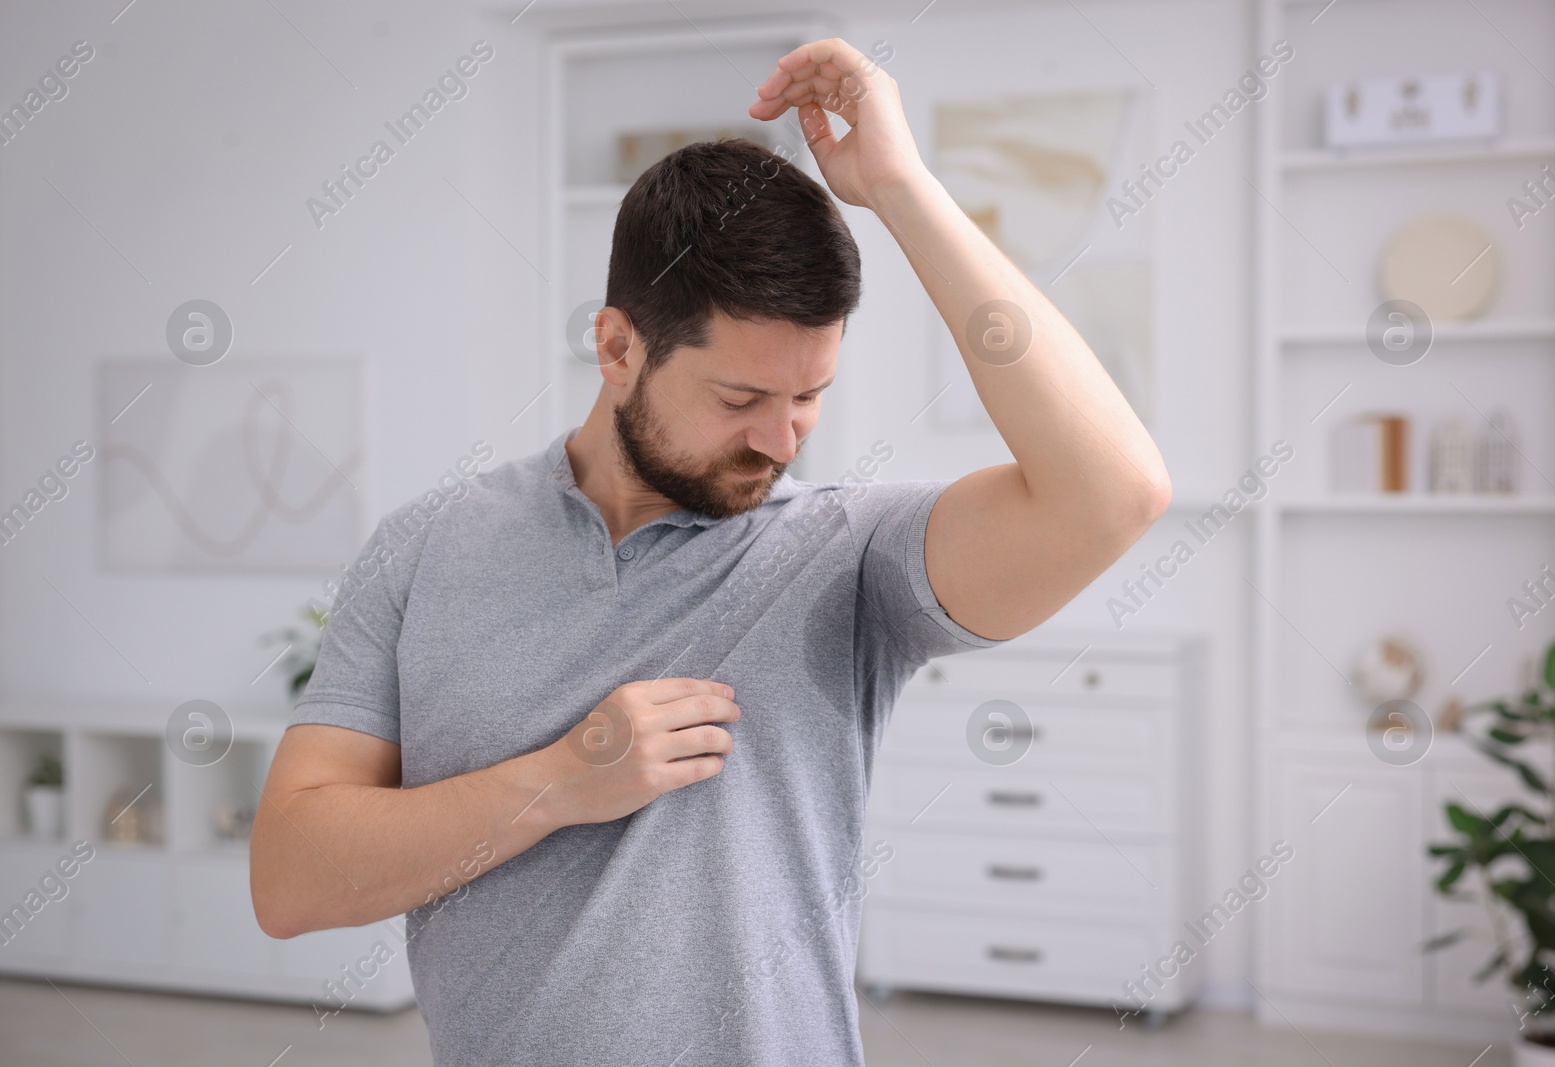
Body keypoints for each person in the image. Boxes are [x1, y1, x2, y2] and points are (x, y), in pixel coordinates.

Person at [250, 37, 1169, 1067]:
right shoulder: (423, 548)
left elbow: (1114, 493)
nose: (781, 440)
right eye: (740, 399)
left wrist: (901, 189)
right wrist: (559, 780)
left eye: (809, 397)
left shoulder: (845, 557)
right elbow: (291, 879)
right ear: (616, 347)